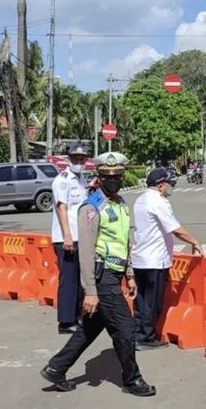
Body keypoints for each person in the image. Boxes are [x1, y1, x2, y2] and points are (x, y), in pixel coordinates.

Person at [41, 152, 156, 397]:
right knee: (126, 328)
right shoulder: (91, 209)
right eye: (107, 176)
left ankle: (56, 368)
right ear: (99, 177)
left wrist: (130, 273)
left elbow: (124, 242)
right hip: (101, 278)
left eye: (117, 176)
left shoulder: (121, 204)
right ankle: (132, 379)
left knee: (89, 330)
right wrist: (90, 292)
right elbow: (86, 252)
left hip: (115, 275)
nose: (113, 180)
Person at [132, 166, 203, 350]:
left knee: (141, 299)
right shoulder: (159, 202)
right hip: (154, 259)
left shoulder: (140, 199)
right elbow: (175, 229)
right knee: (152, 301)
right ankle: (146, 338)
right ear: (161, 185)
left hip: (140, 258)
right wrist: (194, 241)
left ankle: (137, 333)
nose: (169, 187)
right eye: (168, 184)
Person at [50, 144, 89, 334]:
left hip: (80, 236)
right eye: (75, 159)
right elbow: (62, 208)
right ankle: (65, 322)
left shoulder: (81, 180)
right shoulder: (62, 180)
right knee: (69, 280)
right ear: (69, 159)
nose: (79, 162)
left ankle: (77, 315)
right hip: (67, 237)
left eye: (82, 159)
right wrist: (67, 235)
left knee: (79, 279)